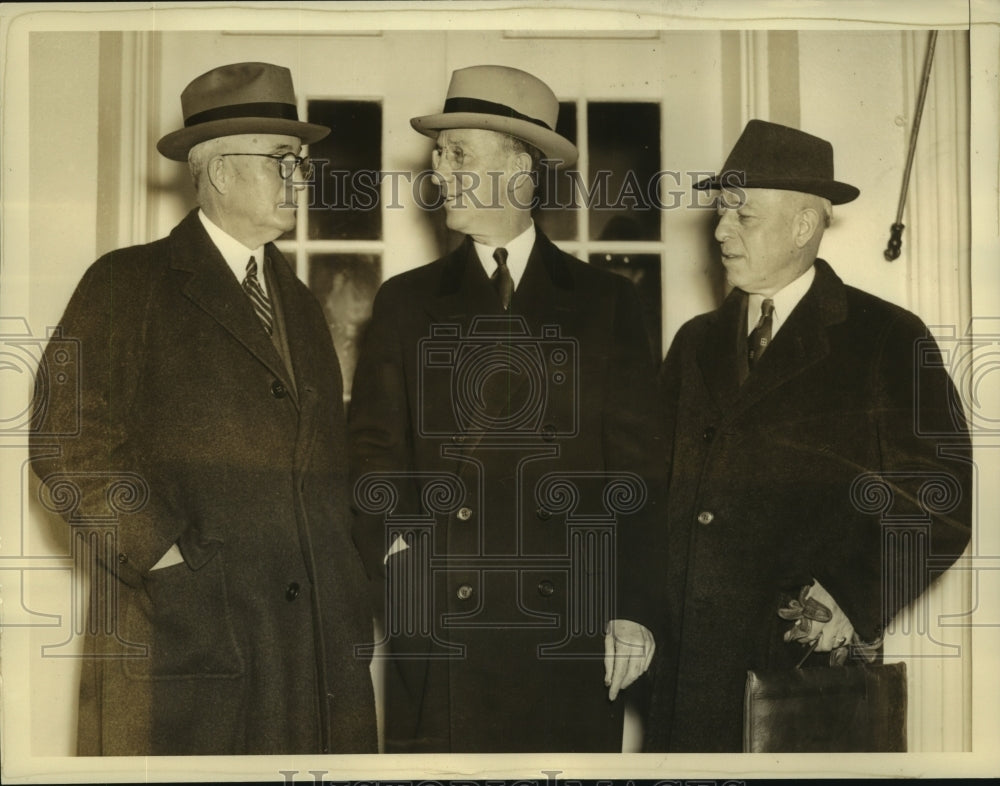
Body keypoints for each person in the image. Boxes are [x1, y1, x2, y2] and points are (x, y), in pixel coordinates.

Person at [29, 62, 377, 755]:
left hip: (306, 655)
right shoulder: (127, 282)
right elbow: (65, 443)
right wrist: (162, 556)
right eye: (283, 160)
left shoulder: (301, 303)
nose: (300, 178)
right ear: (218, 171)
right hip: (184, 641)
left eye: (302, 162)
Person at [348, 64, 664, 753]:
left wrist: (633, 609)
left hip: (569, 631)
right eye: (437, 154)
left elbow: (640, 471)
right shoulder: (406, 302)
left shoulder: (607, 304)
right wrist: (401, 558)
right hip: (441, 630)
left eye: (458, 153)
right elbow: (372, 453)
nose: (438, 172)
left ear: (522, 168)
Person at [645, 119, 973, 752]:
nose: (720, 231)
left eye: (743, 215)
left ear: (803, 226)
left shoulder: (887, 338)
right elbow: (648, 484)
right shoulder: (694, 343)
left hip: (801, 661)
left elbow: (940, 500)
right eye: (720, 212)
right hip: (686, 666)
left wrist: (854, 595)